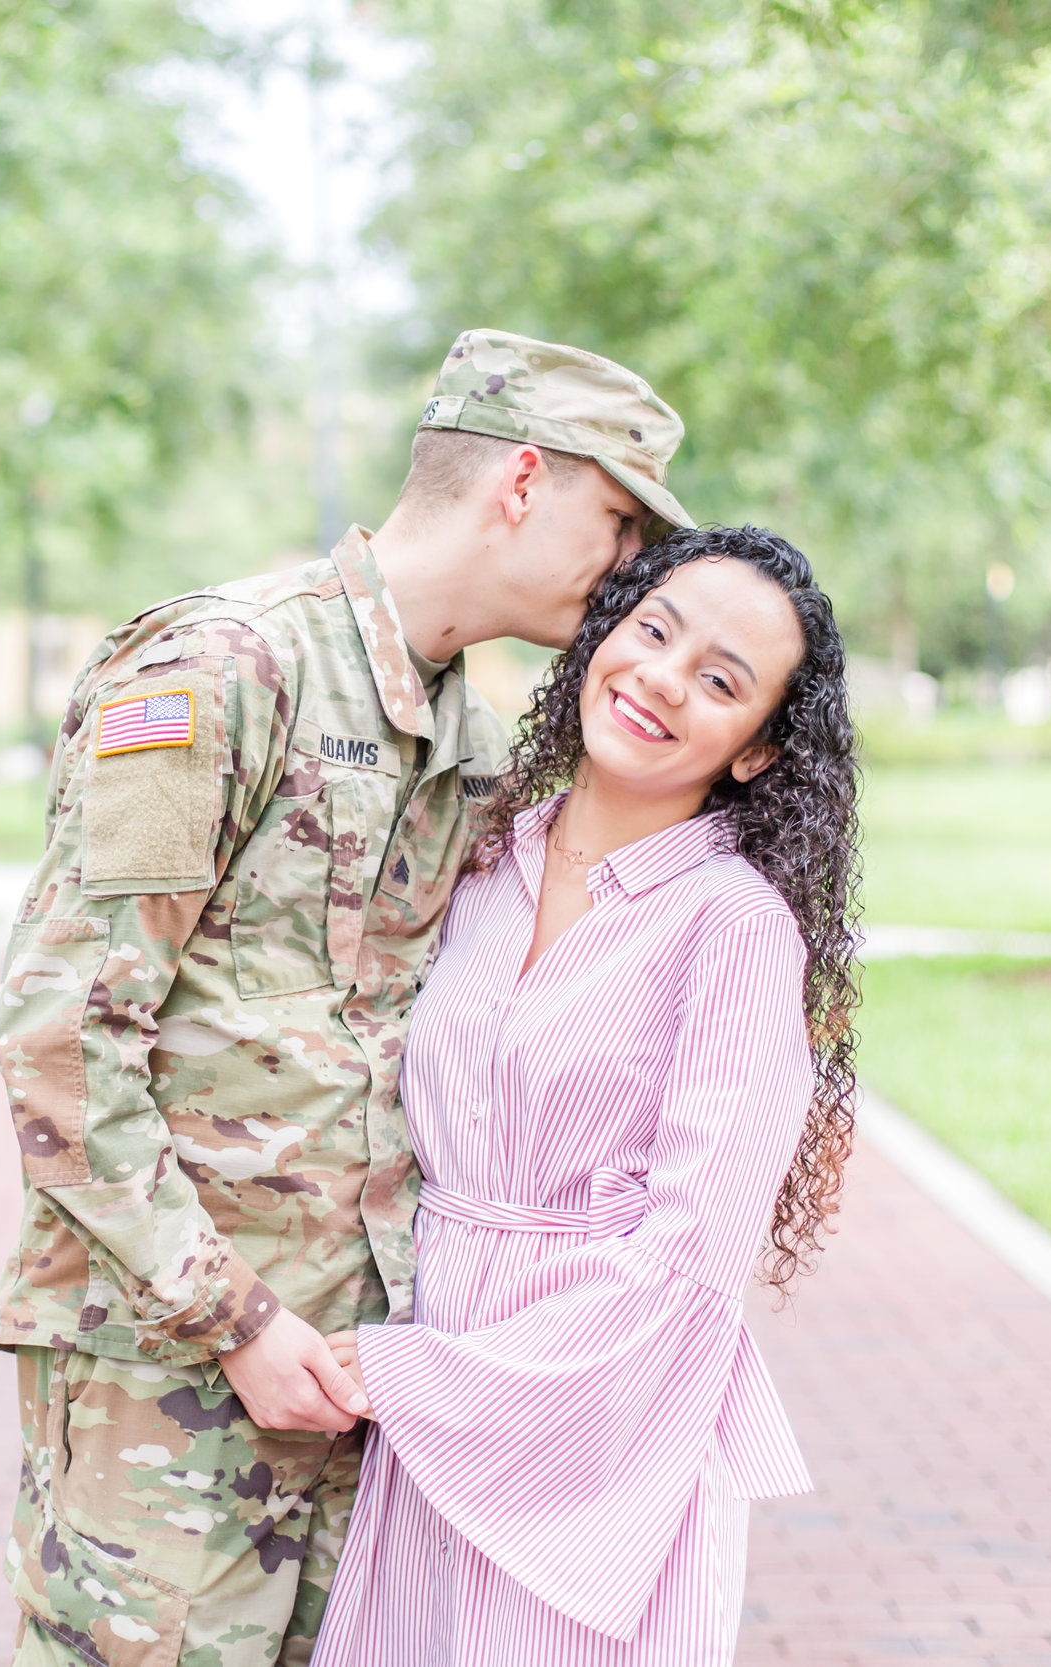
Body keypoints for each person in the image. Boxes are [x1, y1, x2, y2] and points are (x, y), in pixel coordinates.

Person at [0, 328, 703, 1667]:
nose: (628, 572)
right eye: (617, 522)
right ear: (522, 481)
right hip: (170, 1373)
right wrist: (237, 1319)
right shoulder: (216, 671)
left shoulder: (474, 749)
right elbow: (60, 1038)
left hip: (361, 1386)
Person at [309, 525, 861, 1666]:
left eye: (720, 679)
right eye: (652, 630)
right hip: (423, 1405)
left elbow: (685, 1269)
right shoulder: (476, 863)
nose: (661, 677)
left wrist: (420, 1376)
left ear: (756, 749)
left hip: (600, 1424)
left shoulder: (736, 928)